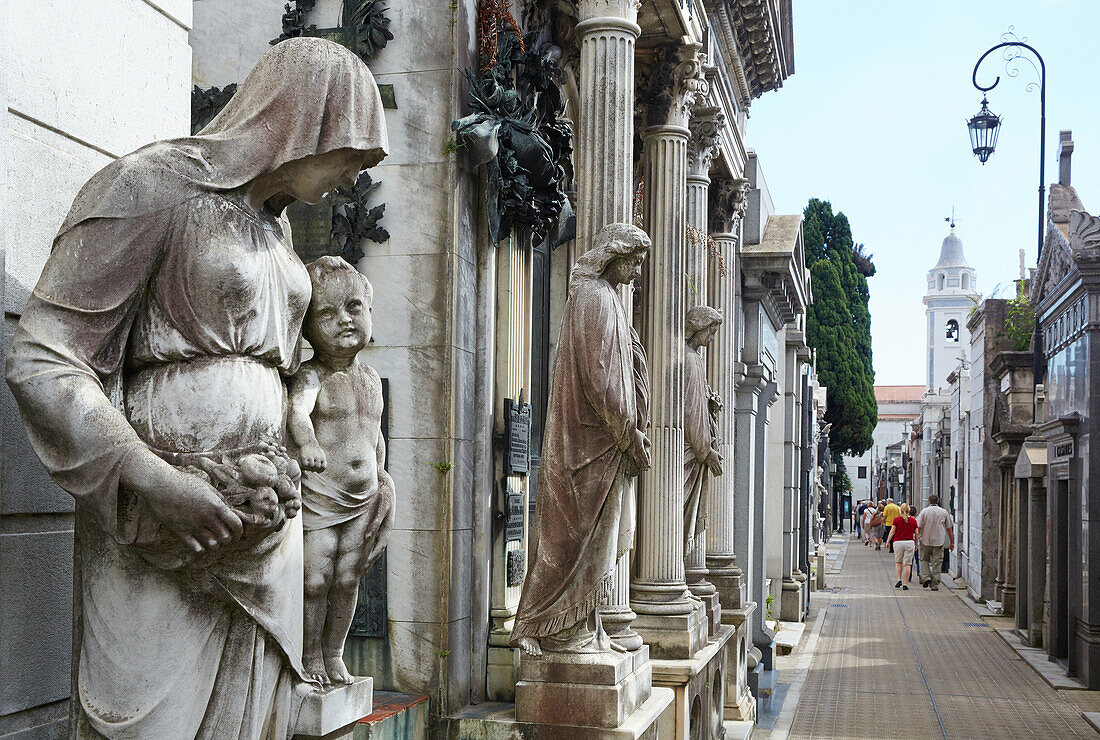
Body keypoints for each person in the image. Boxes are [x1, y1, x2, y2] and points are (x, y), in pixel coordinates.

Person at [5, 38, 388, 737]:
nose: (352, 180)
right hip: (160, 523)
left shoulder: (278, 235)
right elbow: (45, 354)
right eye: (350, 156)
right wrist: (146, 475)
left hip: (265, 528)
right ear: (304, 119)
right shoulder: (153, 186)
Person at [511, 223, 652, 656]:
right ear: (616, 255)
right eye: (635, 262)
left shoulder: (605, 297)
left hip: (603, 447)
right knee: (572, 541)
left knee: (597, 546)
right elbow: (599, 378)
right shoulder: (594, 298)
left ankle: (590, 628)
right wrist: (629, 434)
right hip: (588, 445)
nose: (637, 272)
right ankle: (558, 631)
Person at [289, 258, 395, 685]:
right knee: (316, 577)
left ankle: (334, 654)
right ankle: (309, 654)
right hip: (322, 493)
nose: (343, 320)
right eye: (327, 314)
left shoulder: (370, 378)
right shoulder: (312, 375)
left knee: (348, 577)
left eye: (353, 307)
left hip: (363, 497)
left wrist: (381, 474)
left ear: (369, 311)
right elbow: (297, 412)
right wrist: (308, 443)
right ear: (307, 326)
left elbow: (375, 435)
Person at [916, 494, 954, 590]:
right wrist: (951, 542)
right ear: (937, 501)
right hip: (939, 540)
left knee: (924, 560)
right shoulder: (944, 512)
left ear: (929, 501)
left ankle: (926, 577)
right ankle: (934, 584)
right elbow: (949, 529)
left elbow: (919, 527)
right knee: (937, 562)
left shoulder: (924, 512)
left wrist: (916, 539)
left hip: (925, 540)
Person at [888, 503, 918, 590]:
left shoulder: (896, 520)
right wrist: (916, 544)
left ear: (900, 510)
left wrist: (888, 541)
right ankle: (905, 584)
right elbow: (917, 533)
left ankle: (899, 579)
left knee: (898, 562)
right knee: (907, 564)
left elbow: (892, 531)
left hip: (898, 542)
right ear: (909, 511)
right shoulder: (913, 520)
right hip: (909, 542)